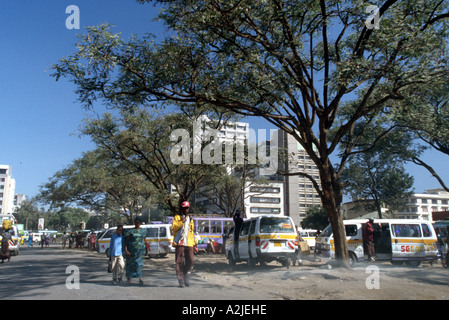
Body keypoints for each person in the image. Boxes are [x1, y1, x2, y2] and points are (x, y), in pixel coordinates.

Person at [172, 201, 195, 288]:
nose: (185, 210)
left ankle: (185, 273)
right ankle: (181, 280)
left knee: (191, 260)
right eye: (184, 208)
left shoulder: (191, 219)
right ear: (181, 209)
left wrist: (194, 243)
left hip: (189, 243)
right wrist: (181, 222)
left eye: (187, 208)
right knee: (179, 261)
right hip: (180, 242)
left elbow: (191, 232)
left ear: (189, 209)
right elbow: (174, 228)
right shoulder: (177, 217)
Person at [124, 217, 146, 286]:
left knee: (139, 265)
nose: (138, 224)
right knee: (130, 264)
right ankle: (129, 278)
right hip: (131, 251)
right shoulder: (130, 231)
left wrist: (147, 250)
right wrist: (126, 250)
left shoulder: (143, 231)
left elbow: (145, 240)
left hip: (140, 251)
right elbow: (126, 242)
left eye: (139, 222)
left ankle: (140, 279)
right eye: (136, 222)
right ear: (135, 223)